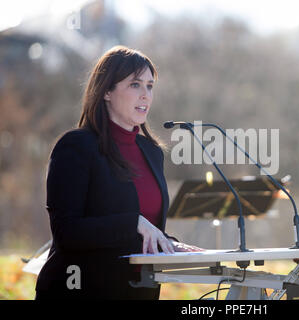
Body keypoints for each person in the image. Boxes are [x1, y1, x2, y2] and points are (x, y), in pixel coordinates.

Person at [35, 46, 203, 300]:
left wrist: (167, 242)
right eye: (135, 85)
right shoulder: (76, 146)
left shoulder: (152, 152)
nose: (145, 95)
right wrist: (133, 221)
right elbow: (66, 232)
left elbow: (143, 229)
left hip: (138, 291)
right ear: (106, 92)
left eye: (150, 86)